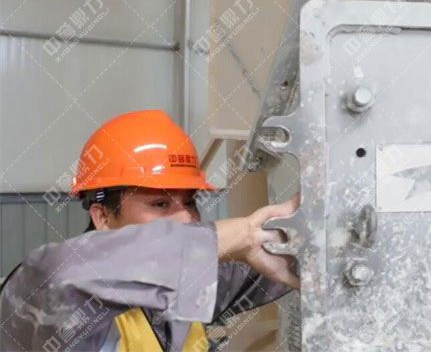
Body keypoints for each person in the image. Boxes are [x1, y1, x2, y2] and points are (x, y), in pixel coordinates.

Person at [0, 110, 298, 351]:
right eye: (160, 204)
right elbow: (61, 277)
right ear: (102, 216)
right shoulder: (44, 293)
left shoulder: (179, 282)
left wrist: (298, 238)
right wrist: (241, 234)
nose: (187, 219)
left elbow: (274, 258)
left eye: (190, 202)